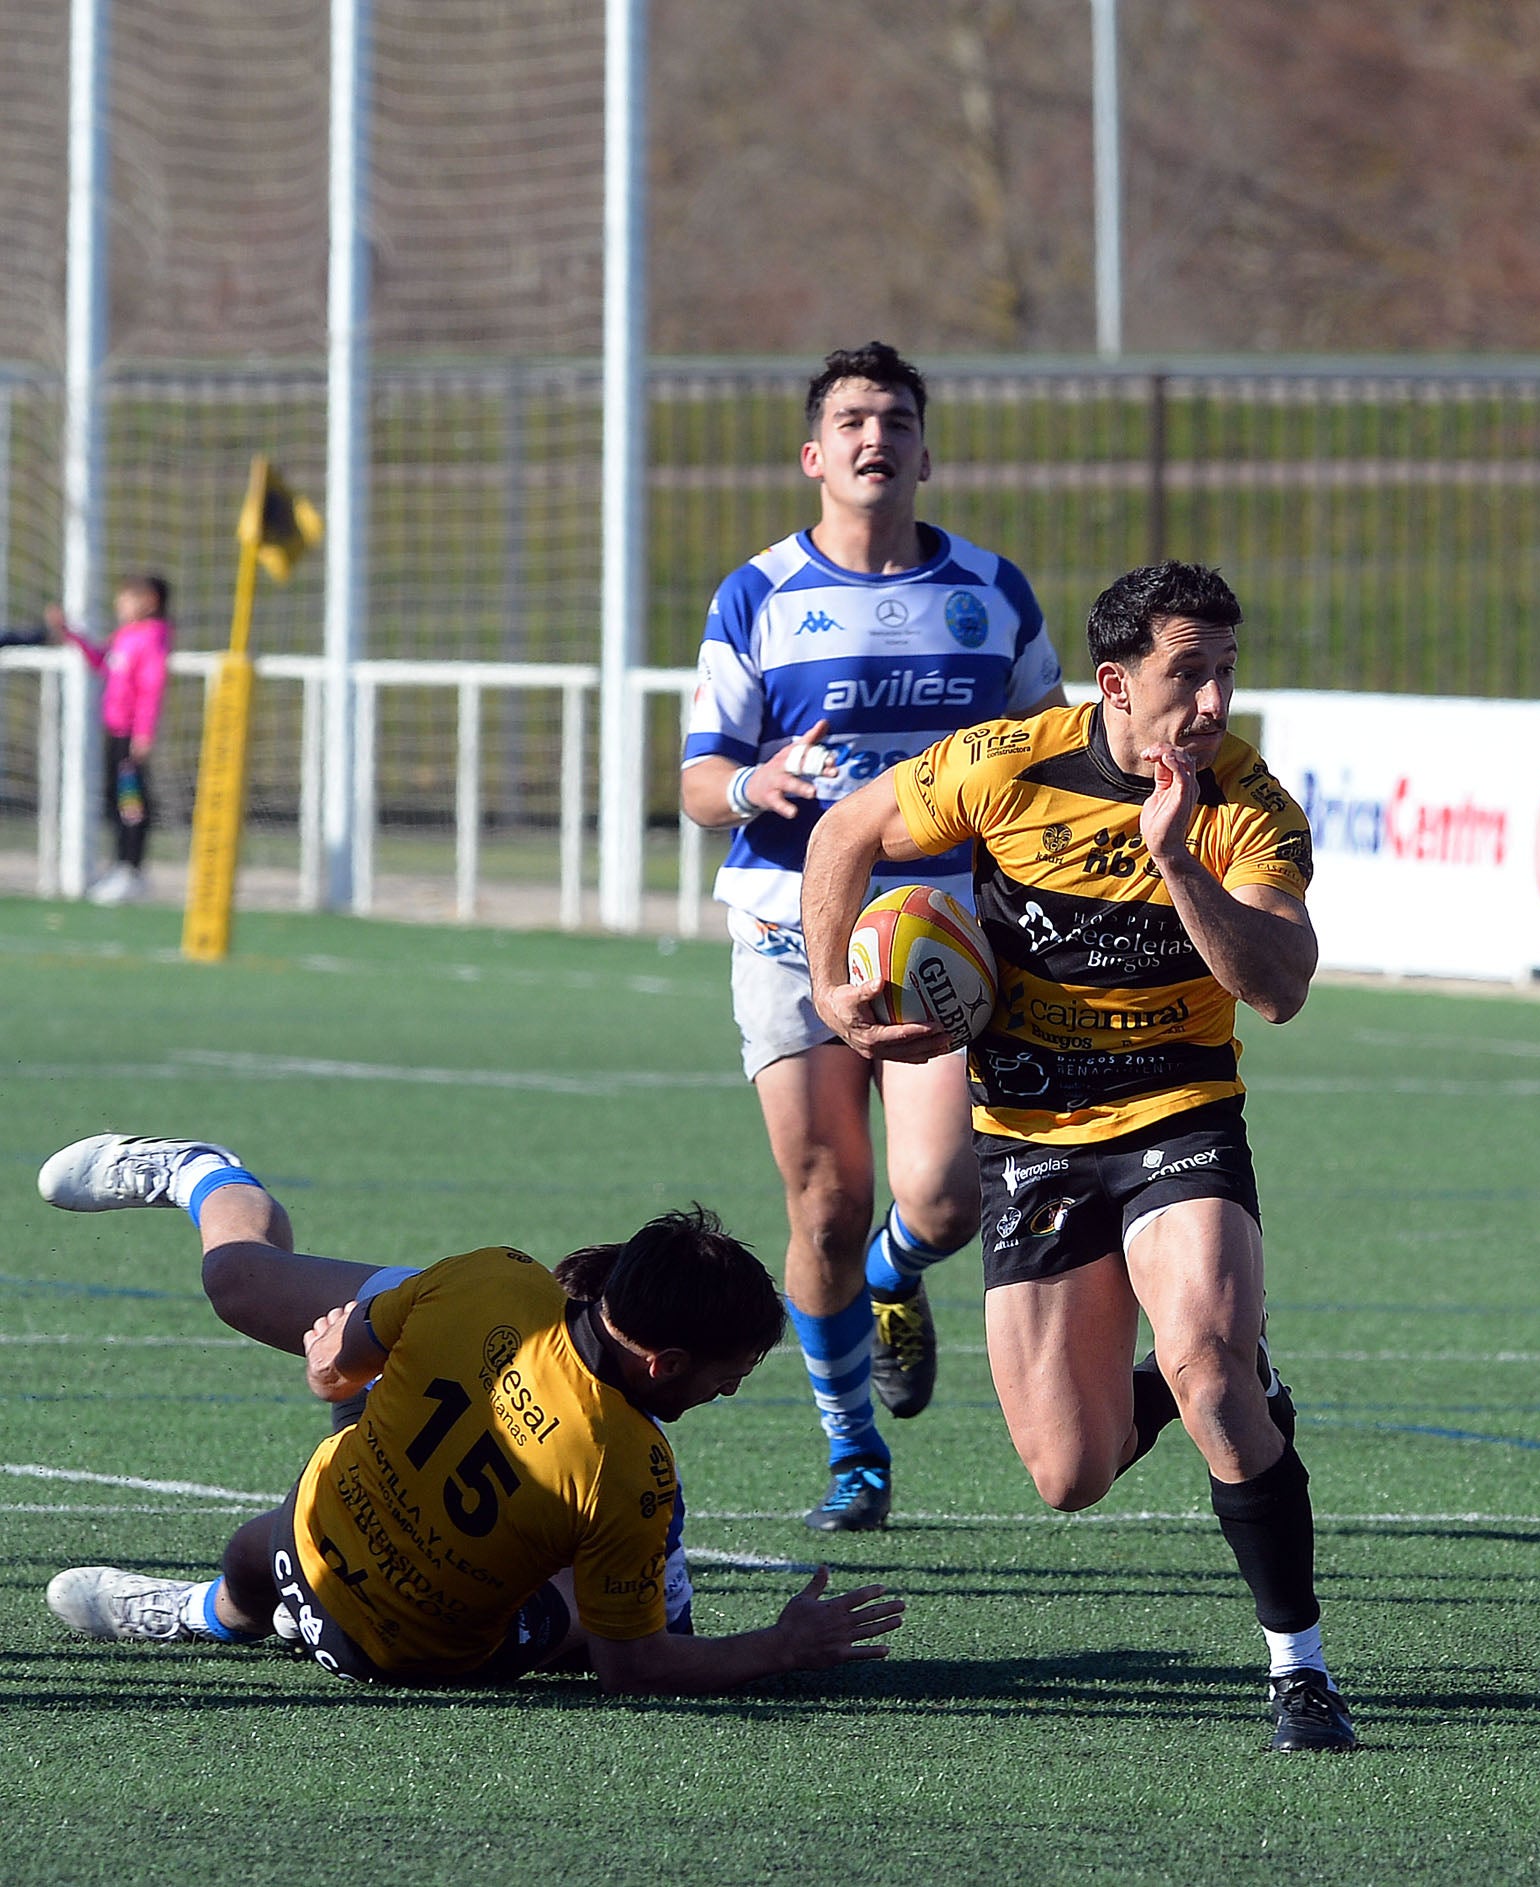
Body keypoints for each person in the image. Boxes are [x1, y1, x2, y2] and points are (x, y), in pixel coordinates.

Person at [798, 561, 1357, 1754]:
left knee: (1207, 1363)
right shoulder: (1004, 763)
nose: (1211, 705)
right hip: (1032, 1139)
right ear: (1114, 683)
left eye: (1226, 674)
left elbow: (1282, 989)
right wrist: (835, 995)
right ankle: (1225, 1394)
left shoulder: (1248, 805)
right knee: (1070, 1473)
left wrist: (1179, 862)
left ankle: (1300, 1674)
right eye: (1185, 677)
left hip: (1179, 1115)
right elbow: (847, 828)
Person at [32, 1132, 904, 1691]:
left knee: (264, 1534)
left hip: (299, 1542)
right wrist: (779, 1645)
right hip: (403, 1660)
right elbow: (632, 1666)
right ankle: (193, 1167)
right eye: (730, 1372)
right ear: (662, 1359)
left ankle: (207, 1610)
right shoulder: (632, 1468)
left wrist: (336, 1373)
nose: (731, 1389)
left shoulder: (496, 1276)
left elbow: (347, 1356)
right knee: (628, 1576)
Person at [679, 343, 1067, 1533]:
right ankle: (853, 1453)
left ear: (923, 451)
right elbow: (697, 780)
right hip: (792, 930)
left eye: (894, 418)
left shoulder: (991, 590)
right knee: (823, 1209)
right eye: (850, 418)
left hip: (943, 930)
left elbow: (1054, 744)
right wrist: (757, 787)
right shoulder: (757, 595)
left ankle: (899, 1285)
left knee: (942, 1200)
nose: (873, 436)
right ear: (814, 454)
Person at [46, 574, 175, 906]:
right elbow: (101, 662)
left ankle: (132, 870)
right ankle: (121, 866)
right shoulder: (126, 637)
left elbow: (151, 688)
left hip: (132, 735)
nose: (120, 604)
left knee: (131, 802)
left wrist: (144, 732)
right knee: (117, 798)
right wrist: (71, 635)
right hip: (117, 732)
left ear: (149, 602)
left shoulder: (152, 639)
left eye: (127, 597)